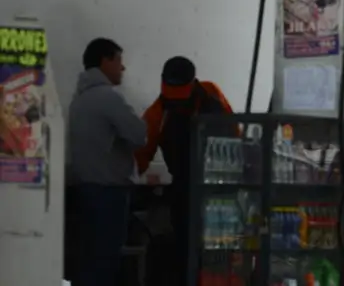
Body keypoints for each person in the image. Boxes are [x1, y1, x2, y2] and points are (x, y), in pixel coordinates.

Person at [134, 56, 234, 283]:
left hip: (222, 189)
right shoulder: (156, 114)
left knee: (223, 250)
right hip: (185, 192)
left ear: (193, 83)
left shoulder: (212, 93)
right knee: (187, 251)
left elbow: (234, 131)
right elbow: (141, 154)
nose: (175, 103)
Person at [67, 38, 147, 286]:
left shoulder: (79, 99)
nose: (122, 69)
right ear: (105, 61)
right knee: (105, 262)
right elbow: (139, 134)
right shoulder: (109, 98)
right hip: (109, 192)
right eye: (119, 61)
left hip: (86, 188)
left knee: (90, 260)